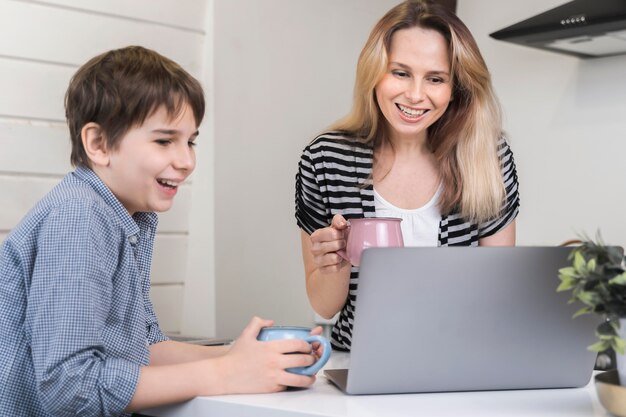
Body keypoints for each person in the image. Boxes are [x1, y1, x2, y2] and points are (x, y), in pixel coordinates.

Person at [0, 46, 320, 417]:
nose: (186, 161)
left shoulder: (127, 216)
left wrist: (244, 355)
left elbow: (143, 347)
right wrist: (225, 372)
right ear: (99, 144)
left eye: (191, 141)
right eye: (164, 141)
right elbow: (71, 387)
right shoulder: (79, 218)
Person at [295, 0, 520, 351]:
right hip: (359, 357)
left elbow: (499, 289)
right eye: (400, 72)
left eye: (435, 79)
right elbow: (324, 306)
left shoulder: (488, 158)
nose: (415, 95)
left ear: (455, 87)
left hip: (461, 357)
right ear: (375, 72)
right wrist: (333, 265)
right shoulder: (326, 159)